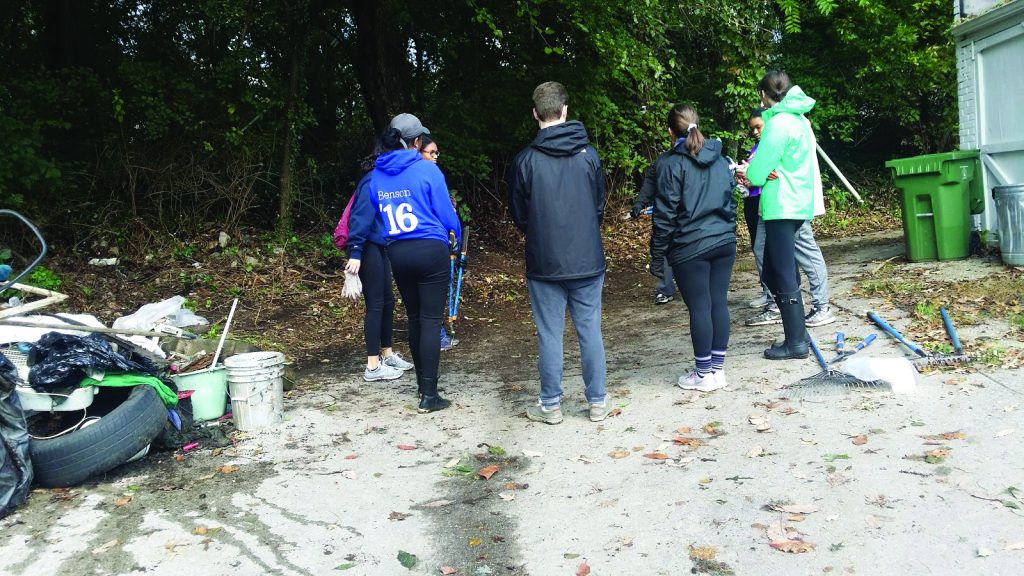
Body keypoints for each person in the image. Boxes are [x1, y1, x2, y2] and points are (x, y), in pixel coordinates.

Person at [508, 81, 608, 424]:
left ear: (536, 114)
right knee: (589, 330)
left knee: (550, 334)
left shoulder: (524, 161)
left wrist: (539, 235)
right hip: (587, 259)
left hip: (544, 261)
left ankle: (551, 406)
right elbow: (598, 207)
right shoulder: (589, 156)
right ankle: (597, 402)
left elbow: (519, 215)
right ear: (565, 111)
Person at [347, 113, 461, 412]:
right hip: (431, 250)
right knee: (430, 319)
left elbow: (376, 215)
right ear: (415, 142)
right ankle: (429, 394)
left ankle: (421, 389)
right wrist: (456, 237)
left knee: (414, 318)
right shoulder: (427, 171)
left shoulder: (377, 176)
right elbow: (447, 216)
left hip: (397, 251)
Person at [649, 104, 737, 392]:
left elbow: (665, 214)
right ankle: (717, 371)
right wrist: (728, 230)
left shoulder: (670, 163)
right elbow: (731, 200)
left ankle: (702, 374)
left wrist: (657, 254)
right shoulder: (721, 159)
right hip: (723, 240)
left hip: (690, 246)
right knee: (717, 302)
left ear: (669, 131)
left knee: (700, 307)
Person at [736, 70, 823, 359]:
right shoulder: (799, 120)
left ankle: (796, 342)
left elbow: (759, 172)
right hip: (797, 201)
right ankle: (798, 332)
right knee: (776, 268)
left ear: (764, 94)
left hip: (781, 205)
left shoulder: (779, 125)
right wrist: (765, 170)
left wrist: (750, 172)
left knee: (782, 272)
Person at [741, 110, 836, 329]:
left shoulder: (791, 126)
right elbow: (757, 172)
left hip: (791, 204)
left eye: (759, 127)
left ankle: (822, 307)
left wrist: (758, 172)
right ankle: (775, 305)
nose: (755, 132)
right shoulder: (775, 133)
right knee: (763, 250)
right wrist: (754, 171)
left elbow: (765, 172)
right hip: (771, 205)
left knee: (805, 251)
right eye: (752, 128)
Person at [343, 143, 414, 382]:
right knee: (375, 303)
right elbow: (360, 217)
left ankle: (386, 353)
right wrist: (355, 251)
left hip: (380, 245)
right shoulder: (372, 181)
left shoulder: (385, 180)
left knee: (388, 301)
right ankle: (372, 366)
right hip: (366, 247)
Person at [418, 135, 459, 351]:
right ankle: (437, 336)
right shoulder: (426, 177)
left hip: (421, 245)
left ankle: (435, 335)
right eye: (431, 153)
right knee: (431, 295)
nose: (435, 157)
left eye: (437, 153)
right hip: (430, 243)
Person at [629, 168, 677, 304]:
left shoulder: (697, 159)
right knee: (665, 249)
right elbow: (650, 181)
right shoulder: (663, 161)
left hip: (690, 213)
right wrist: (640, 202)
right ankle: (665, 289)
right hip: (665, 213)